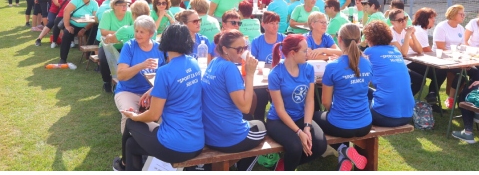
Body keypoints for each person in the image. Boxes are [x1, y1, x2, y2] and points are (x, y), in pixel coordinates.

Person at [116, 24, 204, 171]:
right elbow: (178, 84)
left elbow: (154, 115)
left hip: (175, 145)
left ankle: (123, 165)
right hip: (197, 141)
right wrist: (154, 89)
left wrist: (135, 115)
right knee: (131, 145)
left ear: (165, 41)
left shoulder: (164, 71)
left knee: (131, 123)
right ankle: (125, 166)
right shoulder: (193, 63)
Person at [313, 23, 373, 170]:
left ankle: (343, 149)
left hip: (341, 125)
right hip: (365, 124)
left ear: (339, 39)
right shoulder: (367, 62)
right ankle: (344, 158)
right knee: (338, 120)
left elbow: (326, 102)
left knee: (313, 117)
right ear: (359, 40)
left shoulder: (332, 67)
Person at [202, 30, 266, 165]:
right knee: (263, 129)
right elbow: (245, 108)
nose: (242, 52)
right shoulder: (229, 68)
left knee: (253, 122)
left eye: (245, 47)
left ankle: (228, 165)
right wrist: (250, 74)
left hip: (210, 134)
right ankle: (239, 167)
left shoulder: (214, 63)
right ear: (225, 49)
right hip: (228, 137)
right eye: (238, 49)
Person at [264, 35, 327, 170]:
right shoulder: (275, 74)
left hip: (299, 117)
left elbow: (310, 101)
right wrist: (299, 132)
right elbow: (280, 110)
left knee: (320, 145)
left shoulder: (308, 68)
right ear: (293, 53)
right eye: (304, 51)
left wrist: (307, 127)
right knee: (295, 147)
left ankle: (285, 165)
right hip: (278, 120)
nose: (308, 53)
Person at [112, 14, 162, 132]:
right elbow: (121, 75)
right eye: (136, 31)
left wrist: (153, 91)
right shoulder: (129, 46)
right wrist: (142, 65)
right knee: (129, 114)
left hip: (152, 91)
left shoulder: (159, 48)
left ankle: (160, 141)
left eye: (142, 32)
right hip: (129, 91)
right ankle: (128, 146)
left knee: (166, 112)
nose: (138, 34)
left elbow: (166, 73)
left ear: (151, 33)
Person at [56, 0, 98, 68]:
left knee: (95, 32)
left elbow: (95, 19)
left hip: (88, 26)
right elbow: (67, 11)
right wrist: (67, 26)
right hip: (74, 24)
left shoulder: (94, 3)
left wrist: (84, 29)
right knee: (67, 34)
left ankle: (90, 55)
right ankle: (63, 58)